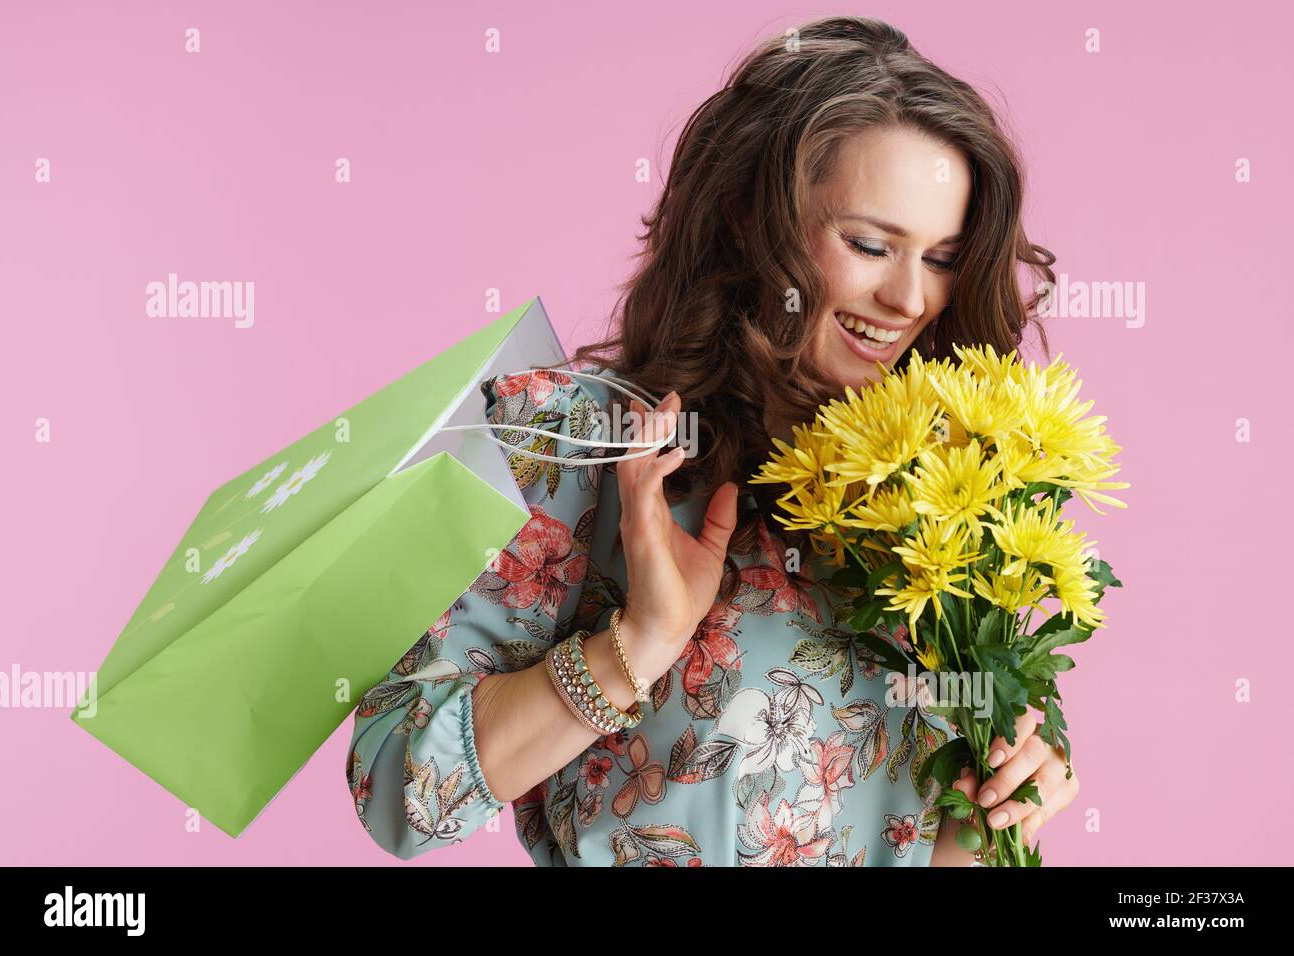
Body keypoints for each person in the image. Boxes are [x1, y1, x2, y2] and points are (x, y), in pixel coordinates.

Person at [344, 14, 1079, 867]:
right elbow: (399, 793)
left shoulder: (956, 491)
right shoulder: (578, 447)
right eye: (870, 244)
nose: (910, 298)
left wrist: (996, 805)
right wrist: (640, 644)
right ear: (745, 218)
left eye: (943, 258)